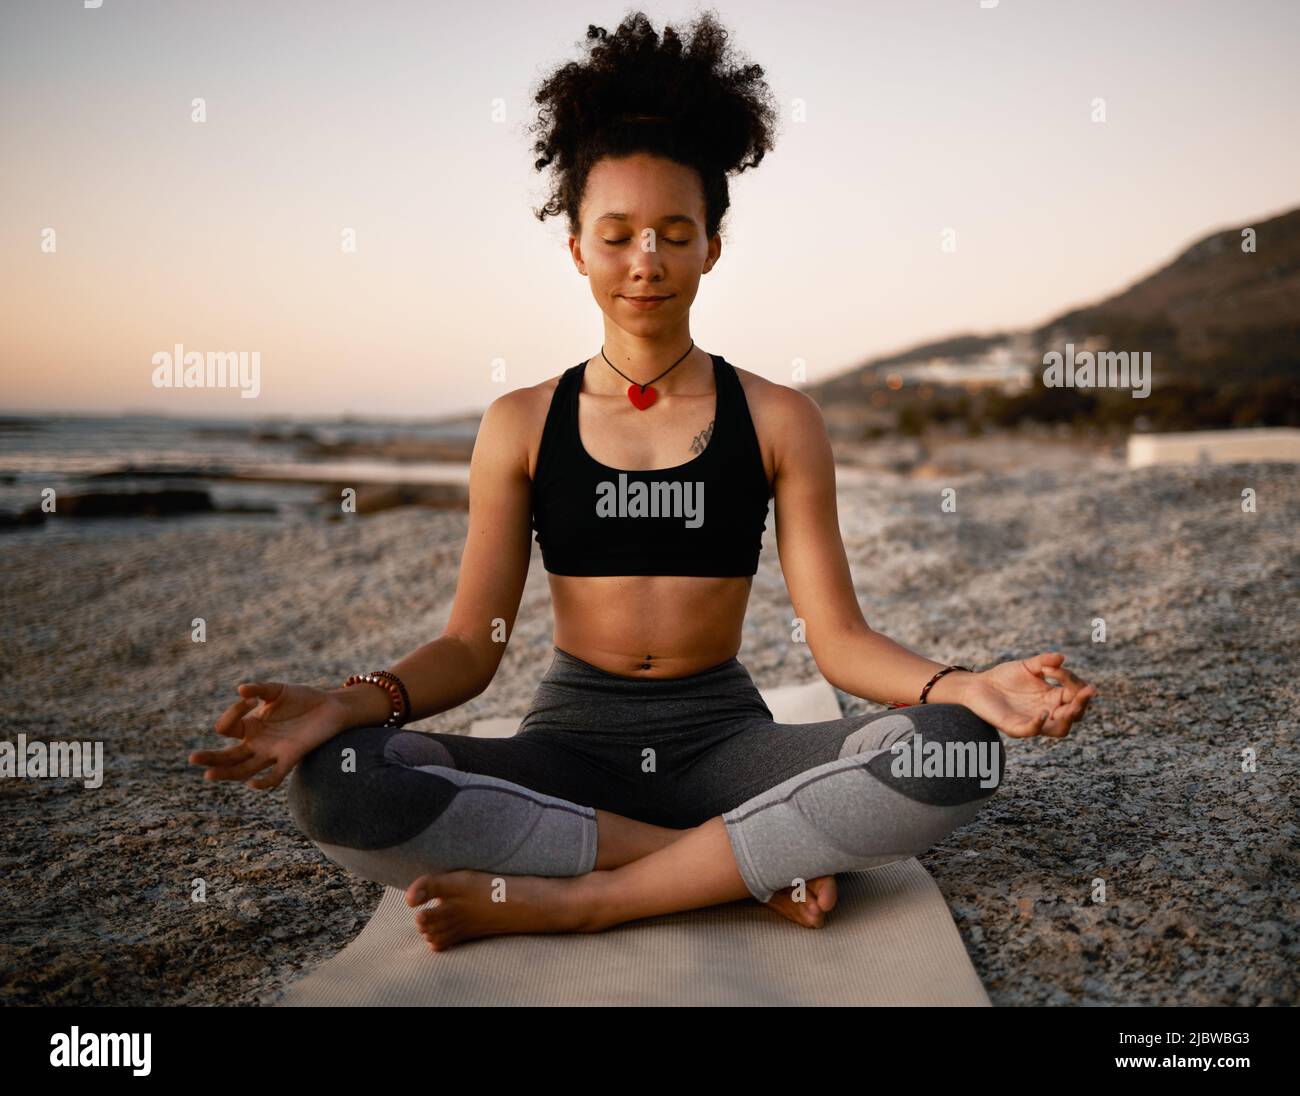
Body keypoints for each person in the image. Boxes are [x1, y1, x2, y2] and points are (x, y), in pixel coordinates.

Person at [189, 10, 1095, 953]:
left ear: (712, 246)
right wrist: (348, 702)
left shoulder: (780, 417)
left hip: (729, 748)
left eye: (674, 232)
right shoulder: (521, 423)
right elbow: (468, 647)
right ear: (578, 248)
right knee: (339, 781)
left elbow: (839, 641)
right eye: (617, 235)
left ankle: (593, 896)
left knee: (955, 749)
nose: (646, 261)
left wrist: (962, 683)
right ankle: (713, 864)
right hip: (568, 747)